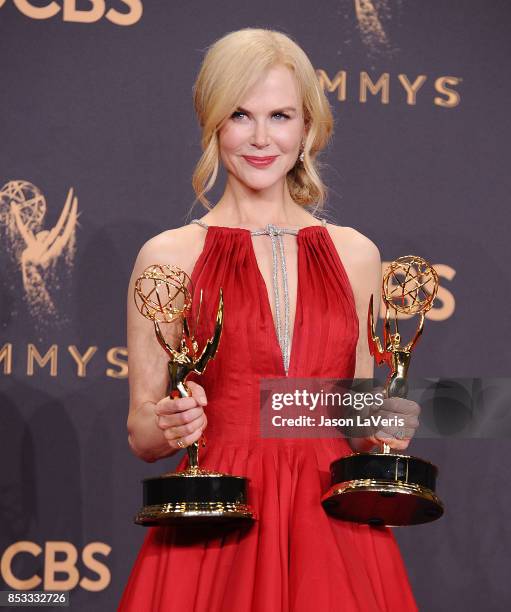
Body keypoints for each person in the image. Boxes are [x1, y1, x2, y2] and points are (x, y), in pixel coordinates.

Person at [119, 28, 420, 612]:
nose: (260, 138)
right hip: (220, 514)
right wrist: (173, 422)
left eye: (280, 115)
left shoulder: (356, 253)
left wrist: (388, 423)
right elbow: (142, 433)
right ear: (213, 122)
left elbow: (356, 416)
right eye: (240, 115)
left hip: (332, 521)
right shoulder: (169, 256)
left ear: (307, 127)